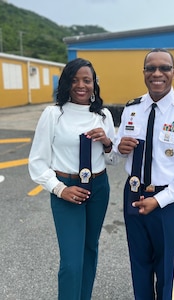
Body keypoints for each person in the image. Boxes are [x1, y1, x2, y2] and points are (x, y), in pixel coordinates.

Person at [113, 48, 174, 300]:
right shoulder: (132, 109)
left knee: (165, 269)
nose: (157, 73)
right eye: (150, 68)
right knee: (139, 262)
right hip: (133, 193)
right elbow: (118, 148)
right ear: (144, 72)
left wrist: (160, 200)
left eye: (164, 68)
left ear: (173, 72)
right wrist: (118, 146)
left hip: (166, 200)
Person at [28, 58, 117, 300]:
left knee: (89, 251)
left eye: (86, 80)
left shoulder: (104, 115)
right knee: (71, 262)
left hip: (99, 188)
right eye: (75, 80)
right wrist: (59, 189)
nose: (81, 85)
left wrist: (108, 143)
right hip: (67, 190)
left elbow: (113, 160)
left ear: (93, 84)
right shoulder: (53, 114)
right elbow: (37, 161)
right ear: (66, 83)